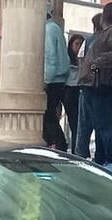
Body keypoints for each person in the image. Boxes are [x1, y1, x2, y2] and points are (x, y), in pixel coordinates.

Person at [78, 2, 112, 172]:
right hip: (95, 83)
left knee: (104, 124)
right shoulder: (110, 32)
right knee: (100, 124)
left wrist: (95, 63)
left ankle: (111, 160)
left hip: (104, 83)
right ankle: (103, 159)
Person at [75, 13, 105, 159]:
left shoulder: (88, 41)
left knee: (85, 124)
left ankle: (81, 154)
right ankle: (101, 157)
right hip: (105, 86)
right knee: (104, 125)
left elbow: (81, 62)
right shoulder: (108, 41)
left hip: (88, 85)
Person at [44, 6, 71, 151]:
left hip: (52, 80)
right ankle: (58, 144)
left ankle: (57, 144)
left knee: (48, 116)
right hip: (61, 79)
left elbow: (50, 58)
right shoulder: (55, 28)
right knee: (51, 115)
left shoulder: (48, 30)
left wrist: (45, 80)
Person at [65, 34, 85, 153]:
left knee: (79, 124)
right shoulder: (67, 59)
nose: (79, 47)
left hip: (81, 89)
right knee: (74, 122)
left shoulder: (85, 59)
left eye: (81, 44)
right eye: (76, 44)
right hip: (70, 90)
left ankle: (77, 150)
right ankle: (75, 150)